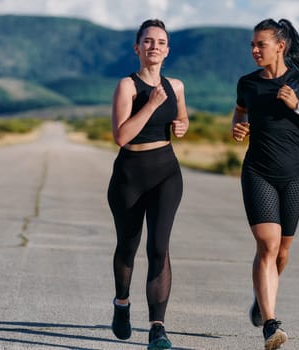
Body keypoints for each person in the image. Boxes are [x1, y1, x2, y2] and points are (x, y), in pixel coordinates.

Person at [231, 18, 299, 350]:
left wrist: (298, 105)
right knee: (268, 244)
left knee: (283, 252)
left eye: (260, 44)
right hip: (257, 172)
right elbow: (239, 113)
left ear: (280, 46)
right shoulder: (247, 82)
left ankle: (263, 301)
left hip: (293, 175)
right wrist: (238, 127)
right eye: (252, 45)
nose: (254, 50)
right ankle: (271, 324)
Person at [107, 19, 188, 350]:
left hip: (166, 172)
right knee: (128, 246)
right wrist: (152, 104)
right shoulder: (127, 86)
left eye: (161, 42)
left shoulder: (177, 86)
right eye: (148, 41)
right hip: (130, 175)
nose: (154, 46)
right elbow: (121, 136)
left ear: (167, 50)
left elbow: (181, 118)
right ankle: (122, 304)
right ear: (137, 48)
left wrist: (181, 126)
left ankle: (158, 329)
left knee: (159, 247)